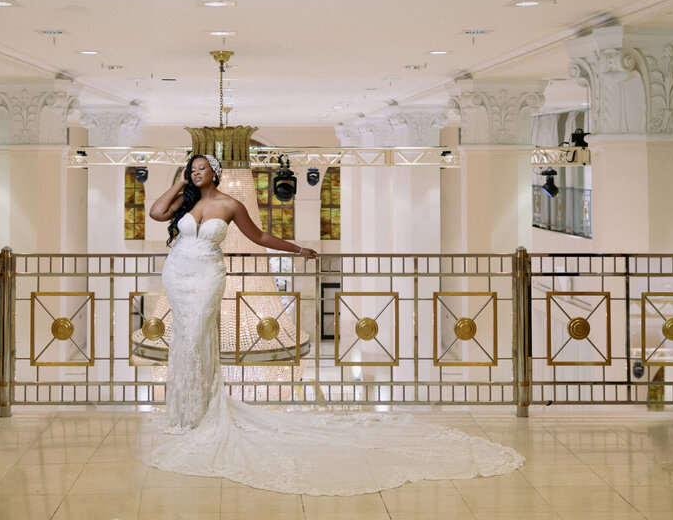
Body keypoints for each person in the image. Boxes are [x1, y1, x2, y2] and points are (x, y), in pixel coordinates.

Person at [146, 153, 523, 495]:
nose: (196, 174)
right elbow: (156, 214)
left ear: (216, 172)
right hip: (178, 273)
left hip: (209, 275)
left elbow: (258, 237)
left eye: (201, 169)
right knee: (183, 341)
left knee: (197, 339)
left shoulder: (230, 204)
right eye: (191, 170)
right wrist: (178, 182)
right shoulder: (185, 201)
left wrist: (297, 249)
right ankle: (185, 413)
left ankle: (204, 413)